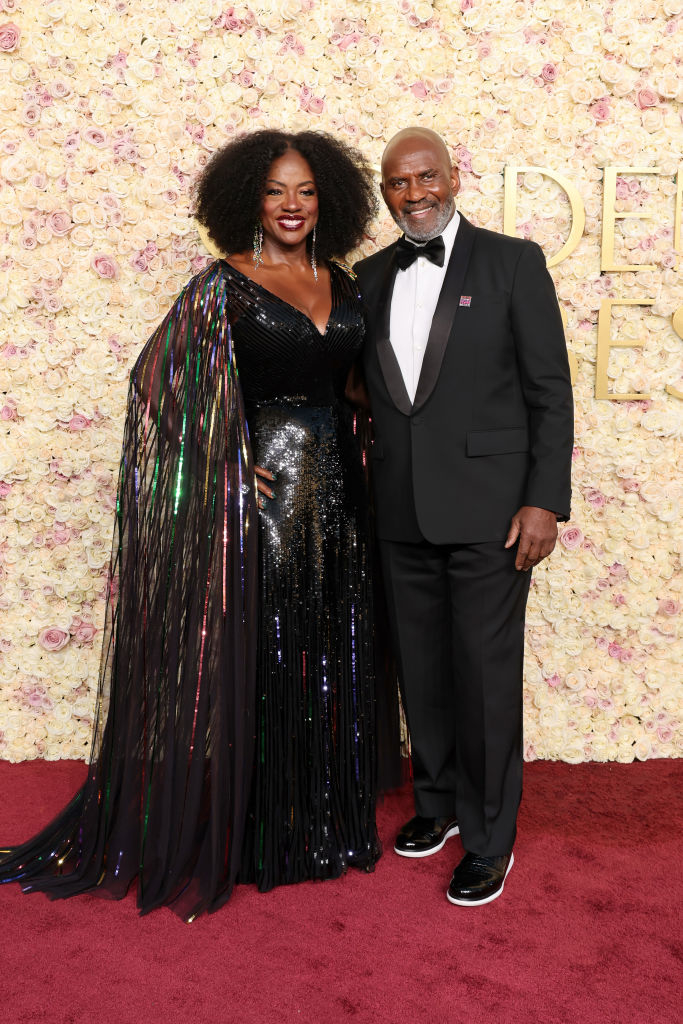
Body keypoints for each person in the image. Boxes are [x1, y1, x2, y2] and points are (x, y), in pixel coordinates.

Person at [0, 130, 395, 921]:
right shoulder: (222, 286)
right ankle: (255, 831)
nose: (292, 205)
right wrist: (222, 457)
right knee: (270, 653)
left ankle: (314, 819)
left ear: (330, 202)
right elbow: (156, 386)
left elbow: (351, 386)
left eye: (308, 191)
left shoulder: (343, 282)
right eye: (276, 190)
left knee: (327, 647)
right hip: (268, 502)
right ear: (247, 198)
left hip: (342, 499)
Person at [354, 127, 573, 906]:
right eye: (396, 184)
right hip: (399, 509)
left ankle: (488, 839)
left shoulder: (514, 262)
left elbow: (548, 390)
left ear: (453, 176)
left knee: (482, 679)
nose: (413, 194)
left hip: (492, 514)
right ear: (385, 193)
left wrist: (544, 499)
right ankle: (438, 805)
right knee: (422, 671)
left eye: (425, 177)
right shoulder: (368, 275)